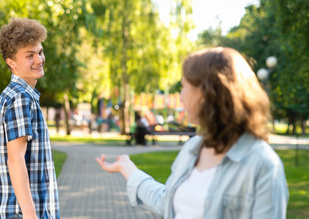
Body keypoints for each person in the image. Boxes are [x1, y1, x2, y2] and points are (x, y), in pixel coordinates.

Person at [96, 47, 289, 219]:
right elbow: (167, 202)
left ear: (207, 93)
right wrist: (128, 169)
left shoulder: (263, 166)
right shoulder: (192, 149)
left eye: (184, 87)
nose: (180, 97)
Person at [0, 18, 60, 219]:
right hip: (18, 213)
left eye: (40, 52)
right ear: (11, 63)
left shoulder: (16, 94)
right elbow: (15, 159)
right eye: (29, 55)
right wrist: (30, 214)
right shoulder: (20, 97)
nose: (39, 60)